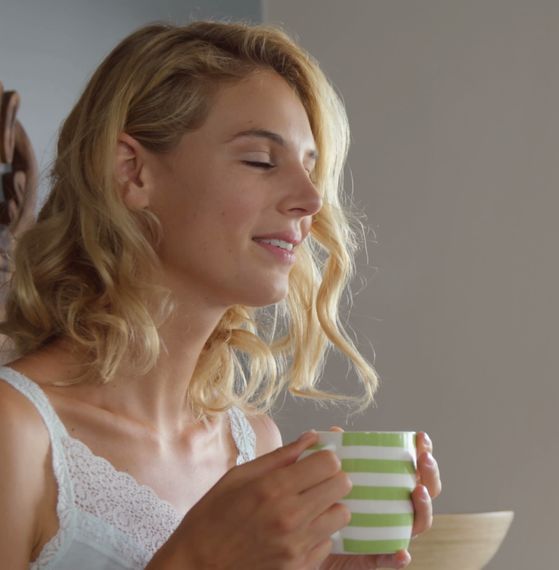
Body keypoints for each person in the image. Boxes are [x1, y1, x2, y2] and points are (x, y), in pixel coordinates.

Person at [0, 21, 441, 569]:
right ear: (132, 173)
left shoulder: (256, 445)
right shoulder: (14, 431)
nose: (309, 200)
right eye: (260, 160)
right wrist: (194, 559)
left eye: (310, 169)